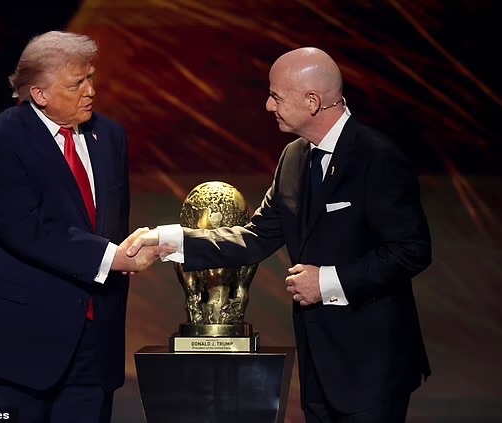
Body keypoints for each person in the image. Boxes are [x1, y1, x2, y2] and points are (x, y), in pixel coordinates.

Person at [127, 47, 432, 423]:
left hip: (372, 367)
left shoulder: (377, 156)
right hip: (319, 369)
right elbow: (255, 237)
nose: (268, 106)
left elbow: (411, 250)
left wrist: (327, 282)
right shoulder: (293, 158)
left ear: (312, 101)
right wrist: (168, 240)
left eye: (276, 96)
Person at [0, 30, 174, 423]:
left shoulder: (110, 135)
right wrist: (113, 258)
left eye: (90, 78)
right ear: (39, 93)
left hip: (94, 344)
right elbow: (23, 227)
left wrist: (132, 249)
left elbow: (108, 224)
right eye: (77, 84)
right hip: (16, 343)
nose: (91, 91)